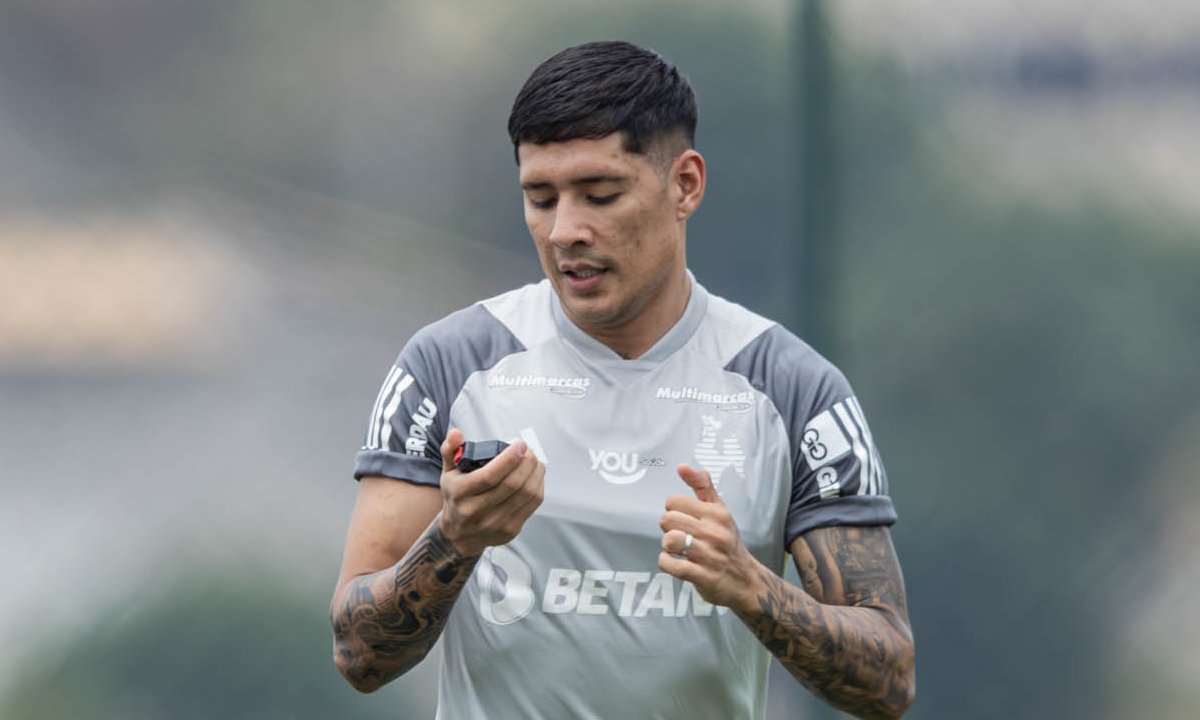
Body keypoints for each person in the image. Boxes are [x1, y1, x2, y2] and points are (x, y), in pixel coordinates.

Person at [331, 40, 915, 719]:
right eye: (540, 198)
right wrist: (454, 538)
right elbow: (358, 656)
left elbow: (888, 681)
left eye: (600, 194)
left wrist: (751, 586)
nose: (564, 231)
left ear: (685, 185)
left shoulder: (792, 389)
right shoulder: (446, 366)